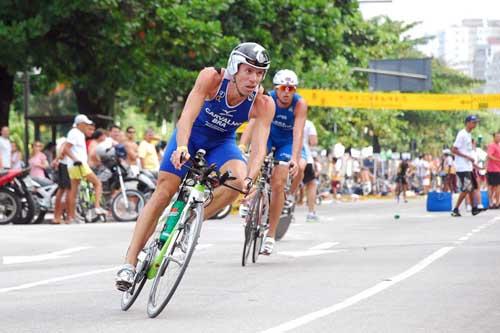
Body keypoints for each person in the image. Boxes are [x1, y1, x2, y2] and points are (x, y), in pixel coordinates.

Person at [115, 42, 274, 291]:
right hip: (190, 136)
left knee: (238, 181)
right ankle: (129, 262)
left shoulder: (263, 103)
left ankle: (190, 221)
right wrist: (181, 146)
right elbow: (187, 115)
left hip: (222, 143)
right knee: (164, 192)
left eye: (259, 73)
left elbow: (259, 148)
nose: (254, 78)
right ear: (235, 67)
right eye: (248, 71)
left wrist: (251, 179)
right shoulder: (212, 78)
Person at [54, 114, 106, 223]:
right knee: (97, 183)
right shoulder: (75, 133)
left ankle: (71, 217)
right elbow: (66, 149)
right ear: (80, 124)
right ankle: (97, 207)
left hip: (74, 165)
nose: (87, 126)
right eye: (85, 124)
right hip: (79, 164)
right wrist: (75, 159)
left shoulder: (77, 134)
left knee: (73, 191)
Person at [451, 115, 484, 217]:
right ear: (467, 123)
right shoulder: (462, 134)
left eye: (476, 122)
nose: (475, 124)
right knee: (466, 188)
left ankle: (474, 208)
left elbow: (467, 152)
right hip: (462, 167)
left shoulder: (469, 135)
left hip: (468, 166)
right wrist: (468, 158)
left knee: (473, 187)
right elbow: (454, 149)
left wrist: (474, 165)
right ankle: (455, 209)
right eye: (473, 122)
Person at [302, 119, 320, 222]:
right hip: (305, 156)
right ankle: (311, 212)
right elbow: (313, 142)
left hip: (285, 155)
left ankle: (285, 209)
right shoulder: (308, 123)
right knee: (311, 184)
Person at [487, 132, 500, 209]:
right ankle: (491, 203)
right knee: (491, 187)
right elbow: (489, 155)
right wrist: (498, 160)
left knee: (498, 186)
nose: (499, 138)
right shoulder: (492, 145)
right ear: (494, 137)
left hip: (498, 169)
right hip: (493, 169)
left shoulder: (498, 145)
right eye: (497, 136)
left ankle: (497, 202)